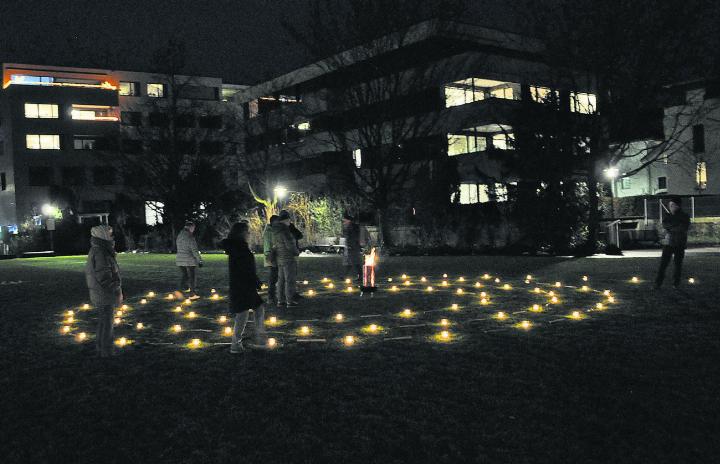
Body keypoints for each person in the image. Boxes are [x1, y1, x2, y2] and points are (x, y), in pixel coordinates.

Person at [221, 222, 267, 354]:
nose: (249, 234)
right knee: (244, 313)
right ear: (241, 233)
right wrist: (255, 281)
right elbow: (245, 269)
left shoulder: (238, 247)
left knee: (255, 309)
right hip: (243, 286)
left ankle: (256, 339)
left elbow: (246, 268)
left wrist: (255, 281)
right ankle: (237, 344)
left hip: (243, 285)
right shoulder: (240, 248)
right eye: (248, 231)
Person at [85, 225, 123, 358]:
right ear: (103, 236)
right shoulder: (101, 252)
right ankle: (106, 351)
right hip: (104, 294)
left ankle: (101, 347)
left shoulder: (99, 250)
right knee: (107, 323)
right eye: (110, 234)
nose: (112, 237)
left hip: (100, 293)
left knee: (104, 321)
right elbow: (104, 277)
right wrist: (116, 288)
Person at [655, 196, 691, 289]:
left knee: (677, 264)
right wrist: (675, 226)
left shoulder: (684, 216)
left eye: (672, 205)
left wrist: (671, 228)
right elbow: (665, 225)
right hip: (669, 243)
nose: (670, 207)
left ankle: (675, 283)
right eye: (670, 205)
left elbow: (682, 228)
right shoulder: (668, 216)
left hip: (679, 243)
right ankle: (659, 283)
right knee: (663, 264)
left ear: (677, 206)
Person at [272, 210, 300, 307]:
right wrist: (296, 252)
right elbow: (289, 245)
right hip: (288, 258)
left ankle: (280, 300)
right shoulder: (285, 231)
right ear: (286, 219)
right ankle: (290, 301)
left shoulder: (275, 231)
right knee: (289, 280)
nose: (290, 222)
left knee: (281, 280)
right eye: (289, 220)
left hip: (280, 258)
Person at [176, 221, 203, 299]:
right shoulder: (190, 237)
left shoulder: (179, 235)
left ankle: (180, 290)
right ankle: (192, 294)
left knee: (185, 275)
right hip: (189, 259)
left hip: (180, 259)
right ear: (191, 227)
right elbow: (194, 250)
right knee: (192, 277)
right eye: (193, 228)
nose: (193, 230)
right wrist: (199, 260)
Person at [262, 215, 280, 305]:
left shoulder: (273, 231)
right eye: (277, 222)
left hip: (275, 256)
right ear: (272, 222)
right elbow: (268, 245)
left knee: (276, 277)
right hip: (271, 257)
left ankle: (275, 296)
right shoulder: (269, 232)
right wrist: (270, 255)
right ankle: (270, 297)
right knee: (272, 278)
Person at [342, 212, 364, 281]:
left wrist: (350, 245)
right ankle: (345, 275)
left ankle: (360, 276)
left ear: (349, 220)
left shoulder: (352, 227)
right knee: (351, 262)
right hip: (351, 247)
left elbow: (353, 237)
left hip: (352, 247)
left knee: (354, 262)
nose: (344, 222)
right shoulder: (350, 227)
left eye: (345, 220)